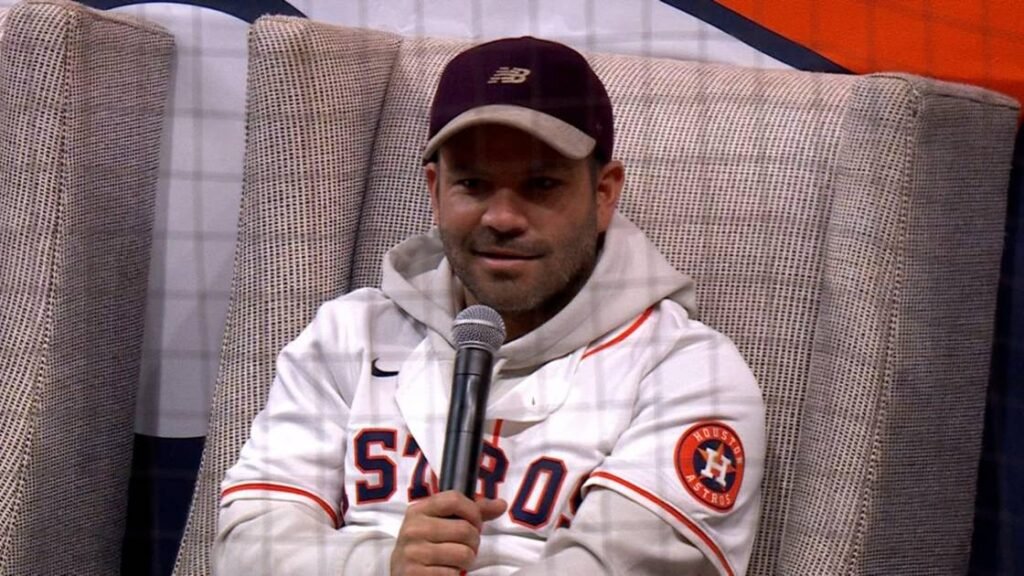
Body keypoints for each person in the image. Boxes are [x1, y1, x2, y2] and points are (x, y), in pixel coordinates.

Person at [213, 35, 764, 576]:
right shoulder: (350, 333)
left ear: (604, 194)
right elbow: (244, 550)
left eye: (541, 185)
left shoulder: (686, 370)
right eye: (473, 184)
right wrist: (382, 565)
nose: (502, 218)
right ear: (435, 190)